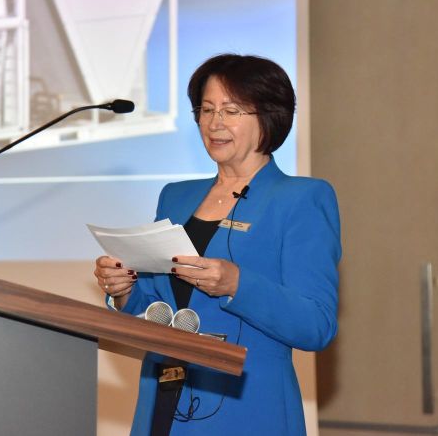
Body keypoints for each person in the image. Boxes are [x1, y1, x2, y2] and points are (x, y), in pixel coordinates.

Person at [94, 54, 341, 435]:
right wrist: (124, 291)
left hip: (247, 409)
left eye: (231, 110)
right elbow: (159, 305)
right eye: (206, 110)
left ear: (269, 116)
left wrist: (236, 285)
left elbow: (316, 325)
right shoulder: (175, 197)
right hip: (164, 400)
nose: (214, 123)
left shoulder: (301, 198)